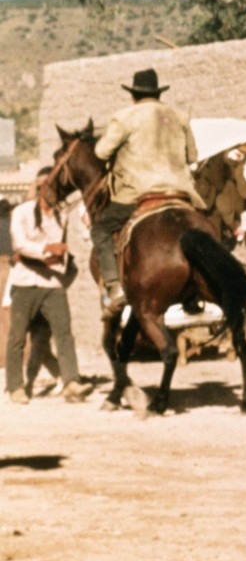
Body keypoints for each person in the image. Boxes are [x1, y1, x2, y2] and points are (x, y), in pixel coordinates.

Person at [92, 68, 202, 311]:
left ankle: (114, 286)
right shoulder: (180, 116)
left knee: (100, 230)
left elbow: (100, 152)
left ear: (134, 95)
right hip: (180, 192)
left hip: (137, 192)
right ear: (157, 94)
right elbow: (193, 156)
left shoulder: (124, 117)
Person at [5, 173, 92, 403]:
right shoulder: (22, 212)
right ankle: (15, 386)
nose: (51, 190)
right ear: (39, 187)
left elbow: (63, 249)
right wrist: (47, 249)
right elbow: (20, 244)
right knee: (18, 336)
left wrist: (60, 261)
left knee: (64, 333)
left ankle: (71, 381)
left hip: (52, 283)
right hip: (26, 282)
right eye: (46, 185)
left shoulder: (61, 216)